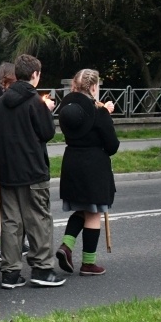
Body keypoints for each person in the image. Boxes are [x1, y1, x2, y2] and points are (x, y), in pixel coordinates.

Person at [0, 54, 66, 289]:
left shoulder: (1, 102)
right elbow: (47, 133)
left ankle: (10, 272)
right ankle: (42, 268)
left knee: (10, 222)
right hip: (33, 169)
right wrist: (48, 110)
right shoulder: (35, 101)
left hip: (7, 170)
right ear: (35, 74)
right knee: (38, 220)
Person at [56, 69, 119, 276]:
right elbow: (112, 146)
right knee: (93, 213)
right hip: (93, 166)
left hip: (71, 163)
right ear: (93, 87)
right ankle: (88, 264)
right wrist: (106, 115)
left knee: (82, 209)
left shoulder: (67, 109)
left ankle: (66, 246)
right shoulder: (98, 112)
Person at [0, 62, 29, 262]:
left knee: (10, 205)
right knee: (11, 206)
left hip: (4, 155)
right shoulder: (1, 98)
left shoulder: (2, 96)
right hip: (7, 157)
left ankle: (6, 242)